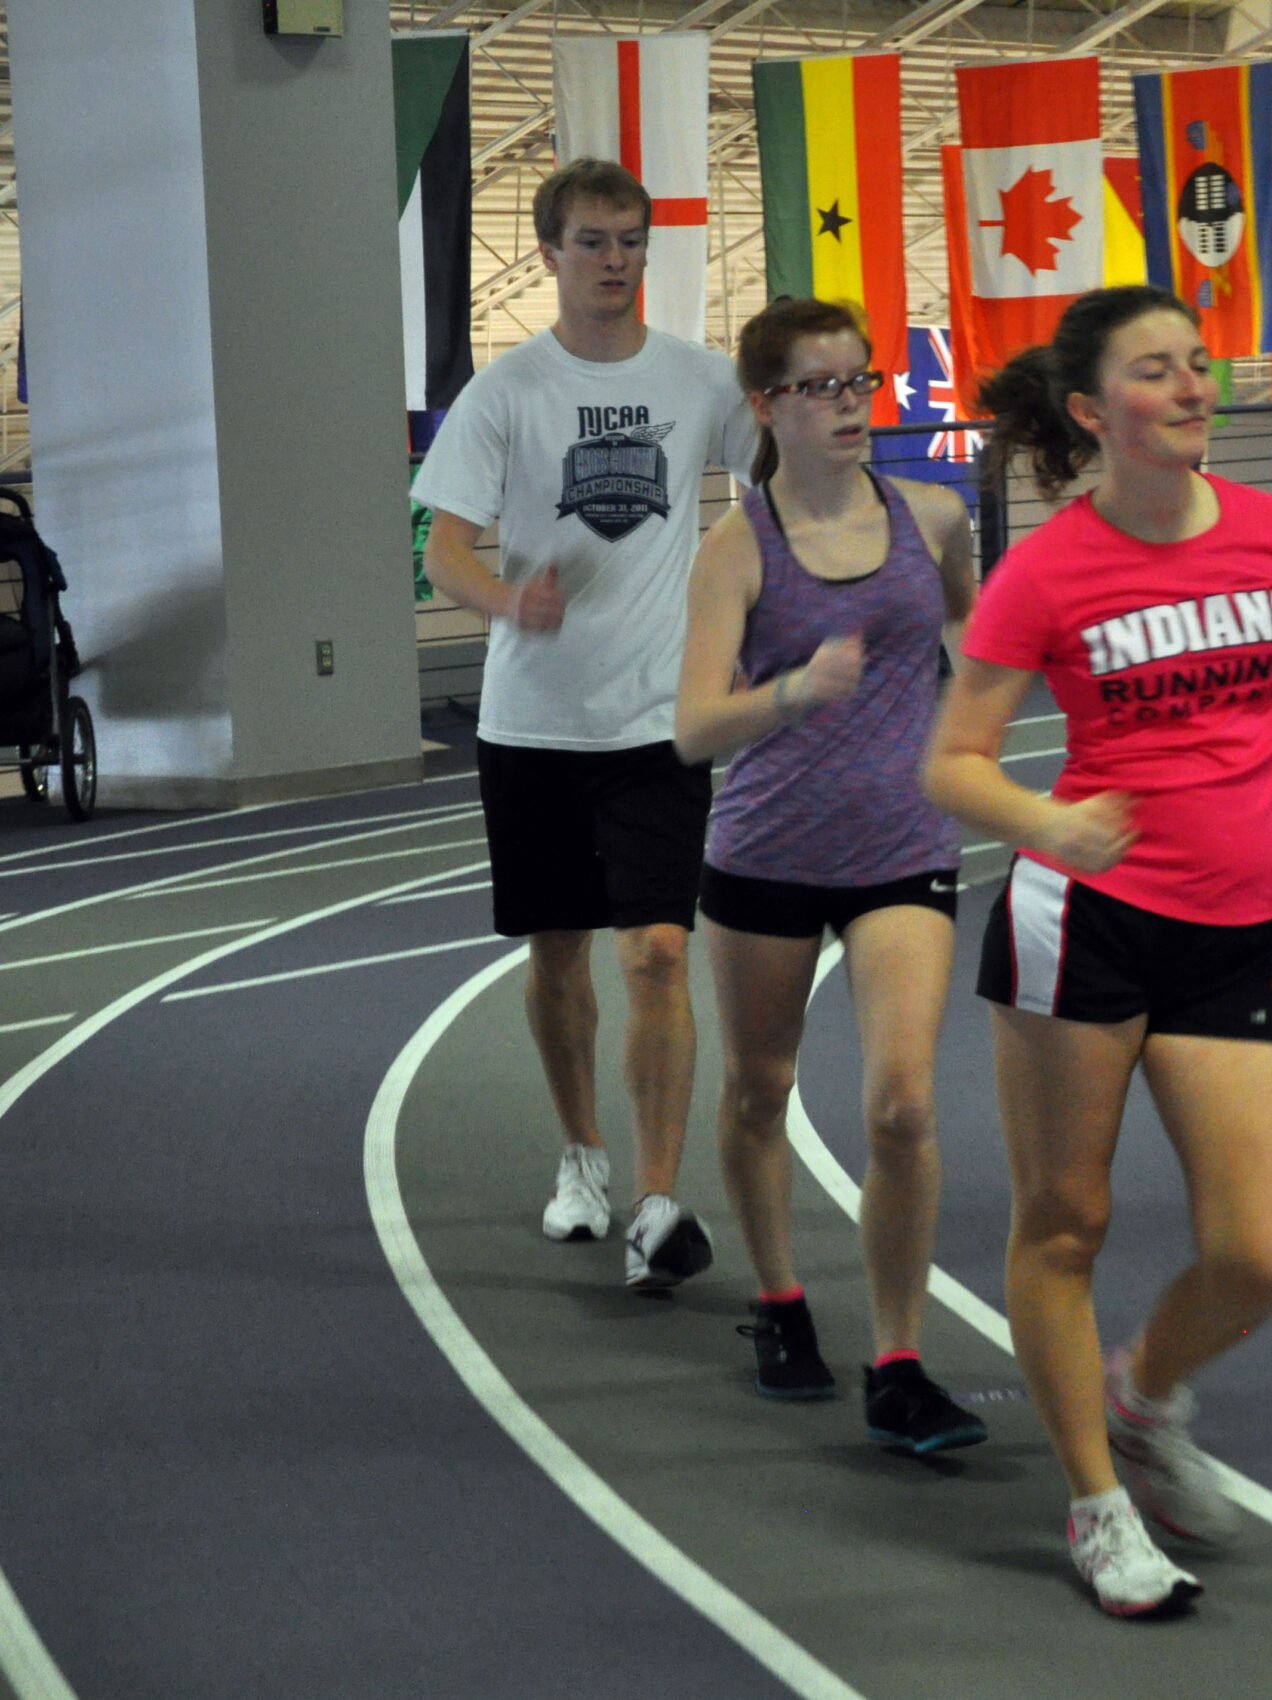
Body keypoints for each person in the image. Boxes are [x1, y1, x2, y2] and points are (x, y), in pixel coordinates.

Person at [923, 286, 1272, 1618]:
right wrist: (1050, 817)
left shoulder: (1271, 532)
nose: (1190, 389)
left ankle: (1145, 1395)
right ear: (1089, 411)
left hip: (1234, 934)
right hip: (1086, 930)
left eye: (1199, 366)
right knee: (1070, 1222)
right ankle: (1098, 1507)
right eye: (1156, 373)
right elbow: (951, 766)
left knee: (1262, 1251)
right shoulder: (1047, 571)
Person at [417, 159, 757, 1290]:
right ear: (550, 252)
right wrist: (511, 599)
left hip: (660, 719)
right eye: (592, 241)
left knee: (659, 948)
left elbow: (781, 494)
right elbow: (443, 547)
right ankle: (582, 1152)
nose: (613, 259)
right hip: (533, 724)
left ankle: (659, 1198)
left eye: (629, 240)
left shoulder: (703, 381)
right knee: (557, 950)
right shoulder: (507, 391)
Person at [670, 296, 985, 1454]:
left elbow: (980, 637)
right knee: (761, 1087)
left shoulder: (935, 514)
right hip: (765, 854)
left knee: (902, 1106)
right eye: (824, 386)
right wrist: (794, 692)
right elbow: (695, 730)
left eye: (863, 381)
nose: (854, 404)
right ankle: (781, 1299)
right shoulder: (734, 549)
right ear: (768, 406)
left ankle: (898, 1360)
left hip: (904, 848)